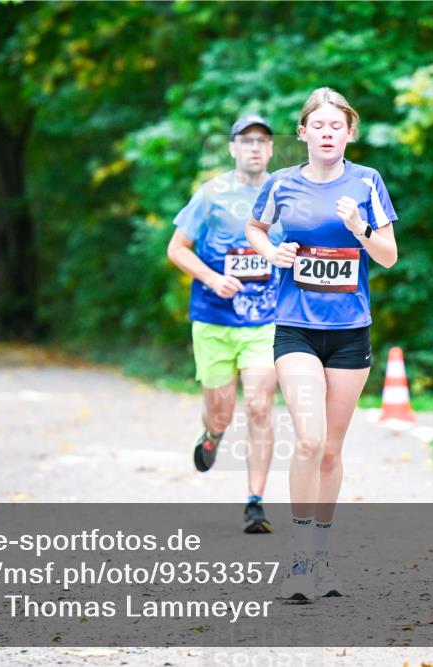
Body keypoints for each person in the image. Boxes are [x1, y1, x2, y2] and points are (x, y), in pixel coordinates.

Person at [245, 88, 399, 601]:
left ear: (349, 133)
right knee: (308, 439)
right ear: (304, 133)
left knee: (331, 450)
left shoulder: (368, 182)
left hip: (350, 333)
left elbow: (389, 256)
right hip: (296, 328)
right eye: (320, 125)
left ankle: (322, 557)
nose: (329, 132)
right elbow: (256, 227)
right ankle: (299, 559)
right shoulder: (281, 183)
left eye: (338, 125)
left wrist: (359, 227)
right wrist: (274, 253)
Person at [167, 114, 283, 534]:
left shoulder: (284, 193)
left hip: (266, 320)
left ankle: (256, 501)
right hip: (214, 319)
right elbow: (177, 248)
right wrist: (213, 278)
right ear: (233, 148)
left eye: (262, 141)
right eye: (246, 140)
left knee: (258, 406)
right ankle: (212, 436)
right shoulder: (211, 194)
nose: (255, 147)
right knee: (222, 412)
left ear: (270, 150)